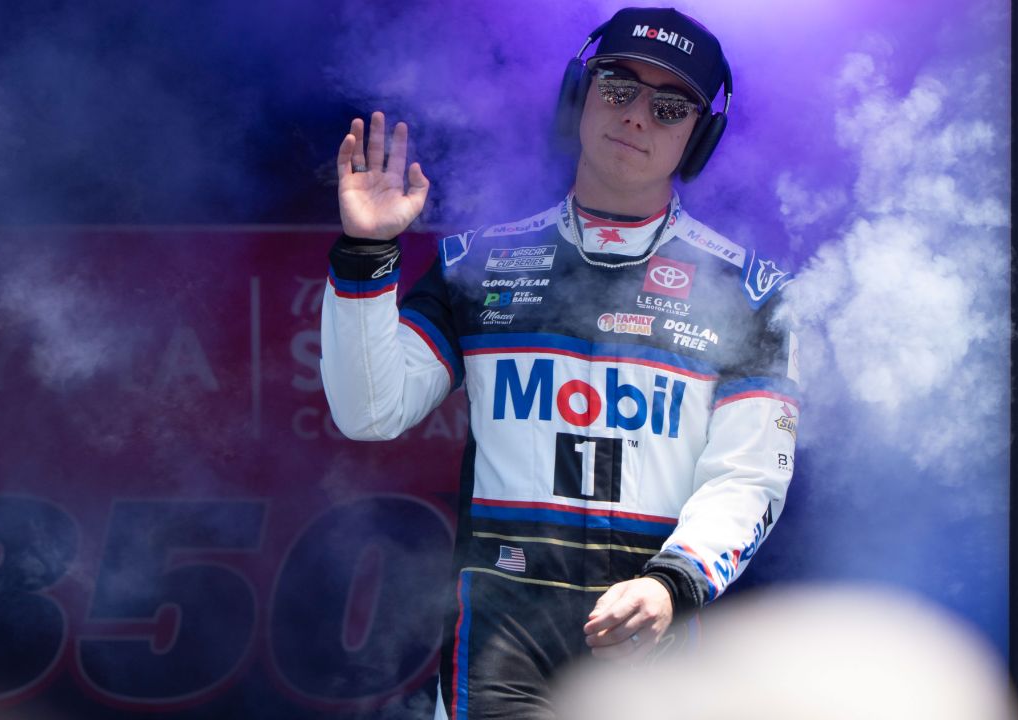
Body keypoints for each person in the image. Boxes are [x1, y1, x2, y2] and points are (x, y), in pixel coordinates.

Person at [320, 8, 799, 719]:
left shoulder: (751, 294)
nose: (636, 116)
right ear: (580, 93)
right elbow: (369, 412)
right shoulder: (477, 265)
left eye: (670, 107)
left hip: (653, 637)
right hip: (498, 643)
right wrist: (367, 251)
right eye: (619, 87)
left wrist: (671, 583)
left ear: (698, 136)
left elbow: (748, 477)